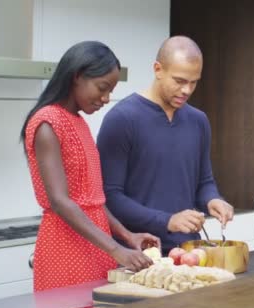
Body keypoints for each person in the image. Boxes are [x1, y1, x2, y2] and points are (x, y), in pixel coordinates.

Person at [21, 41, 159, 292]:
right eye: (102, 88)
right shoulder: (47, 123)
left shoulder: (79, 123)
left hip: (96, 245)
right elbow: (60, 201)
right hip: (65, 248)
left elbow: (92, 199)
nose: (106, 99)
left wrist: (127, 236)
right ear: (77, 77)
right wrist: (116, 248)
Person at [97, 36, 233, 255]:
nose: (187, 90)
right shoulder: (122, 119)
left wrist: (213, 199)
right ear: (158, 69)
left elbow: (204, 182)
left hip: (190, 252)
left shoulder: (199, 121)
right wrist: (167, 221)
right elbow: (110, 197)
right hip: (137, 254)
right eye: (179, 81)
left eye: (194, 82)